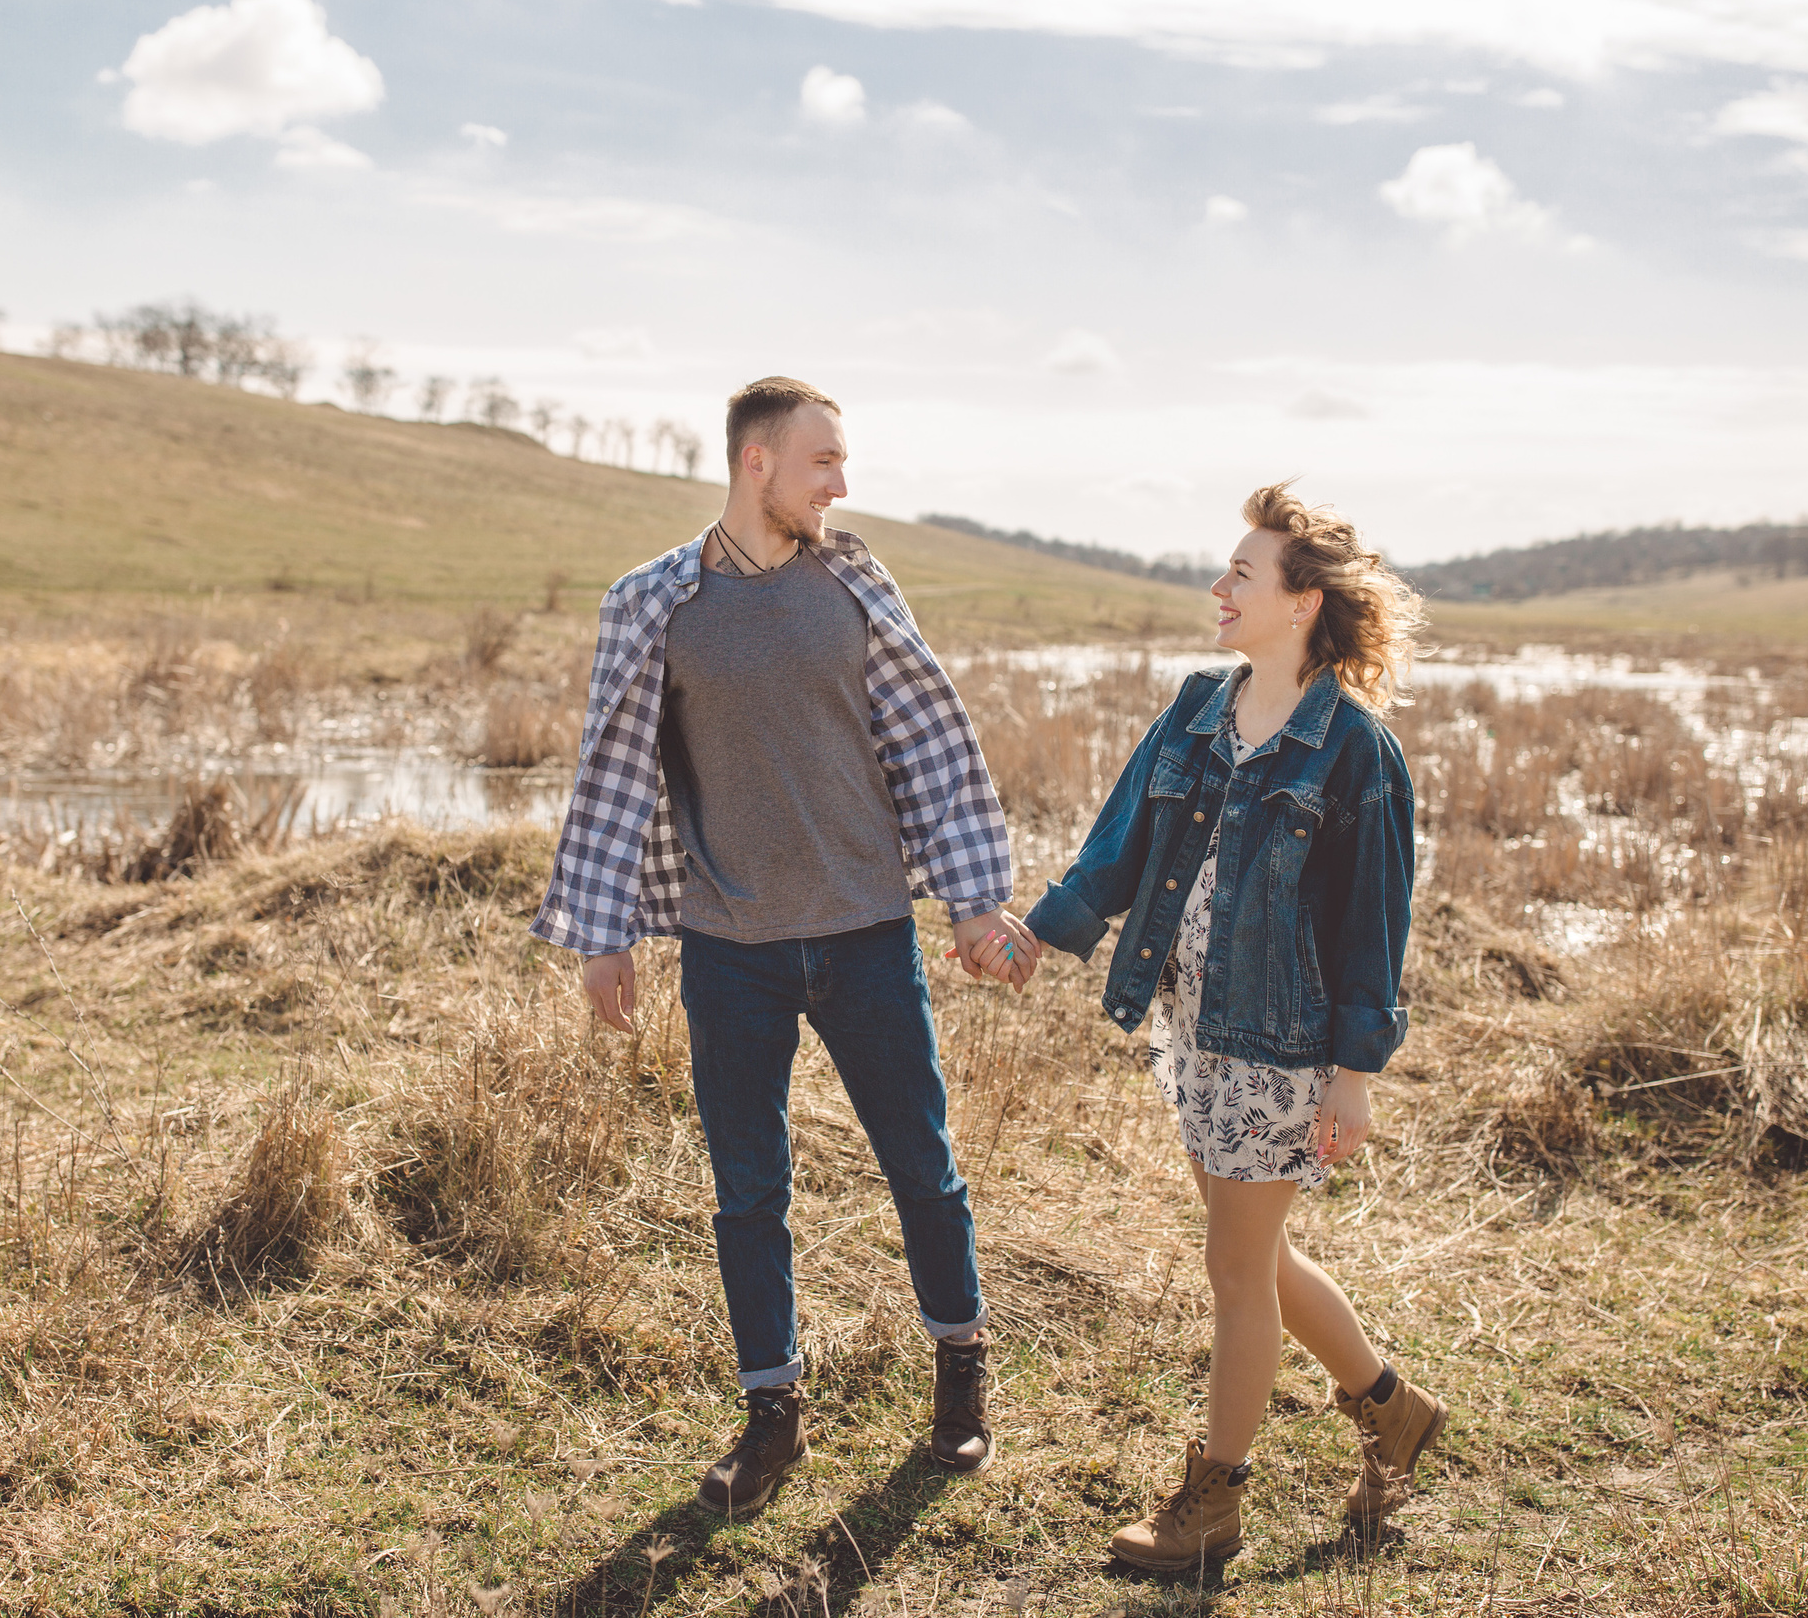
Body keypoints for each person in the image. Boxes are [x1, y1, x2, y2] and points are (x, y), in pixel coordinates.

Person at [531, 376, 1041, 1519]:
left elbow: (931, 752)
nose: (841, 483)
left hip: (865, 936)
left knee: (924, 1168)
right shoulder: (655, 603)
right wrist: (599, 939)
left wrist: (969, 903)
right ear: (756, 463)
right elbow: (609, 775)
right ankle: (773, 1416)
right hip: (732, 949)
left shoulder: (852, 584)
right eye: (823, 462)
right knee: (747, 1192)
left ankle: (959, 1379)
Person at [1019, 482, 1443, 1570]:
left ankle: (1212, 1505)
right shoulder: (1197, 708)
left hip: (1283, 1049)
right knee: (1255, 1252)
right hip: (1193, 1029)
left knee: (1233, 1268)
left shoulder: (1357, 752)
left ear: (1302, 603)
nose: (1219, 587)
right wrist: (1037, 936)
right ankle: (1391, 1410)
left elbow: (1370, 927)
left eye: (1242, 573)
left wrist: (1354, 1072)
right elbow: (1116, 848)